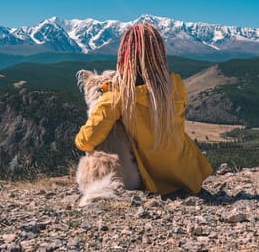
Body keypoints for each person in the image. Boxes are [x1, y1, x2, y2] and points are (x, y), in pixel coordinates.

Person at [75, 23, 212, 195]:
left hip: (153, 181)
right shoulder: (176, 86)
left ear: (124, 55)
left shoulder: (116, 96)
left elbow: (86, 141)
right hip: (186, 175)